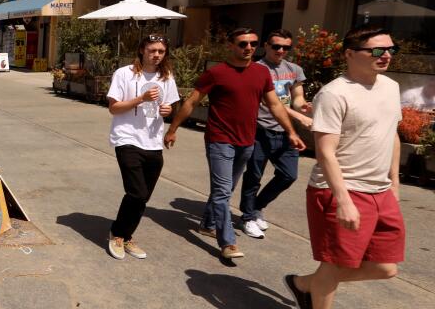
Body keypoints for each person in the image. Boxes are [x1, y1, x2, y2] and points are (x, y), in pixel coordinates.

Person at [282, 27, 404, 309]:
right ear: (350, 53)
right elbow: (325, 152)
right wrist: (344, 199)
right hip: (340, 189)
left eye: (390, 48)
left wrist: (394, 181)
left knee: (385, 268)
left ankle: (304, 284)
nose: (386, 55)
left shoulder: (391, 88)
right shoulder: (334, 94)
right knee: (337, 263)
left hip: (380, 190)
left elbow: (391, 133)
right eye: (376, 50)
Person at [165, 28, 304, 260]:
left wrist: (291, 131)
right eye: (242, 44)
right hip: (220, 139)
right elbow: (191, 102)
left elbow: (276, 105)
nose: (248, 48)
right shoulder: (216, 73)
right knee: (222, 191)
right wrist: (172, 129)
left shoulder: (261, 74)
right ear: (231, 45)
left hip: (246, 140)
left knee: (226, 188)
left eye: (253, 43)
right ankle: (227, 242)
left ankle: (208, 224)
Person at [104, 34, 179, 260]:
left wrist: (169, 112)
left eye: (161, 51)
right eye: (152, 50)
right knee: (136, 192)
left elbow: (170, 107)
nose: (156, 55)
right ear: (141, 50)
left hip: (153, 142)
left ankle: (126, 235)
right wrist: (141, 98)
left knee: (143, 196)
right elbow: (114, 108)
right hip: (127, 139)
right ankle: (117, 234)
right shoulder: (124, 74)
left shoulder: (166, 77)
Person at [238, 29, 313, 239]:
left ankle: (257, 206)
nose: (281, 51)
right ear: (266, 46)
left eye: (286, 47)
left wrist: (304, 107)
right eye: (276, 46)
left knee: (289, 175)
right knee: (254, 176)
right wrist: (299, 118)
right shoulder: (256, 69)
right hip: (260, 130)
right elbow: (270, 103)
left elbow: (296, 98)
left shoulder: (294, 69)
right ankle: (247, 217)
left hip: (284, 132)